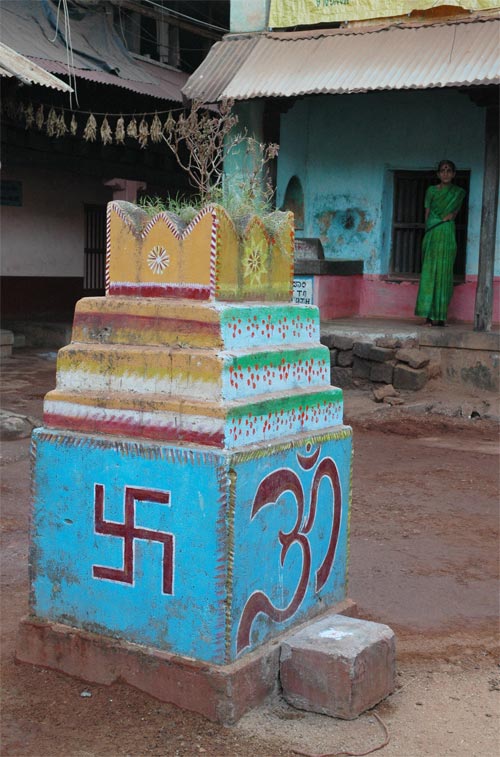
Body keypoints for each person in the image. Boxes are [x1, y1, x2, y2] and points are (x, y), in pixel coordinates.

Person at [415, 160, 466, 326]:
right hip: (432, 233)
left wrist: (445, 220)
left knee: (444, 273)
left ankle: (441, 316)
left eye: (449, 170)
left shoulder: (458, 193)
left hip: (447, 233)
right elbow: (427, 214)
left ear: (454, 174)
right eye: (442, 170)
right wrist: (429, 230)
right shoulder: (431, 191)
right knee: (429, 273)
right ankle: (428, 316)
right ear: (438, 174)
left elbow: (453, 214)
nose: (445, 173)